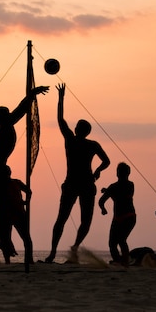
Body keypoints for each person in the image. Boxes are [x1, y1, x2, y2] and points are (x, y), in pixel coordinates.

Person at [0, 85, 49, 263]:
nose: (8, 114)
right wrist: (31, 94)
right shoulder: (5, 125)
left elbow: (21, 111)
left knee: (4, 208)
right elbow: (20, 110)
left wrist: (31, 96)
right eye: (4, 113)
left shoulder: (7, 124)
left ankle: (7, 242)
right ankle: (4, 240)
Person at [45, 84, 110, 263]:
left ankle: (55, 252)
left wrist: (61, 98)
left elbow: (60, 119)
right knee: (79, 220)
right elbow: (107, 161)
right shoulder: (87, 144)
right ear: (86, 131)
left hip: (79, 183)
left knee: (64, 219)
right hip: (80, 183)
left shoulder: (75, 141)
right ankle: (65, 249)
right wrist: (98, 171)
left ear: (77, 130)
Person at [99, 162, 136, 266]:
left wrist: (108, 191)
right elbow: (101, 201)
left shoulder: (130, 185)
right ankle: (118, 260)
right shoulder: (113, 187)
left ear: (127, 173)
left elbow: (121, 193)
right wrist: (103, 208)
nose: (120, 174)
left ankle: (125, 261)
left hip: (129, 217)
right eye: (119, 172)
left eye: (122, 172)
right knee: (112, 243)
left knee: (121, 239)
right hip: (117, 218)